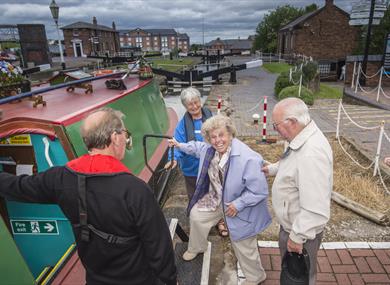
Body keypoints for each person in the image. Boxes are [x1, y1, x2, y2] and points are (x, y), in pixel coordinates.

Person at [0, 108, 177, 285]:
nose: (126, 139)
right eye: (125, 133)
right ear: (114, 137)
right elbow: (159, 249)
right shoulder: (135, 190)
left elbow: (16, 187)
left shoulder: (59, 178)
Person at [169, 115, 271, 285]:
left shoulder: (248, 158)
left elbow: (259, 191)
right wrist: (179, 145)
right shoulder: (209, 149)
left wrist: (239, 204)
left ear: (230, 134)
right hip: (217, 199)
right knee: (196, 215)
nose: (217, 141)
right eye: (213, 137)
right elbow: (195, 147)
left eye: (221, 135)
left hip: (239, 206)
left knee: (243, 245)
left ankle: (256, 277)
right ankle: (197, 247)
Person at [262, 97, 333, 285]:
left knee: (298, 277)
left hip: (300, 232)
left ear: (292, 122)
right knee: (293, 275)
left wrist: (297, 237)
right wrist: (273, 169)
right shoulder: (301, 136)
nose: (275, 129)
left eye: (276, 125)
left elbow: (316, 208)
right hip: (294, 226)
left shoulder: (311, 153)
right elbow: (292, 162)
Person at [165, 87, 228, 237]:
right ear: (185, 107)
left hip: (212, 167)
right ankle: (200, 225)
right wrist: (173, 158)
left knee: (217, 193)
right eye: (189, 104)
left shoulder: (211, 118)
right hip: (192, 169)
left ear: (200, 101)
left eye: (196, 102)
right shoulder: (182, 125)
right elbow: (176, 144)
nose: (194, 106)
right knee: (195, 197)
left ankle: (220, 220)